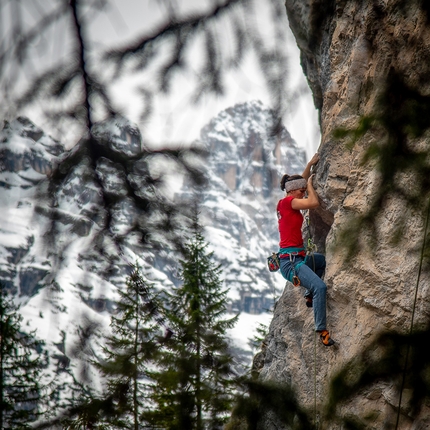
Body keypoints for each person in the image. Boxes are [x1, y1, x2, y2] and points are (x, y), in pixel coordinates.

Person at [277, 153, 334, 346]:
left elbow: (298, 186)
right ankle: (322, 331)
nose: (303, 193)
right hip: (291, 263)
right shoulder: (289, 203)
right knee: (320, 286)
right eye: (301, 191)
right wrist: (309, 185)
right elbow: (313, 203)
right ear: (293, 191)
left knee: (321, 261)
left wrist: (309, 164)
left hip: (295, 259)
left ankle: (309, 294)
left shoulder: (286, 201)